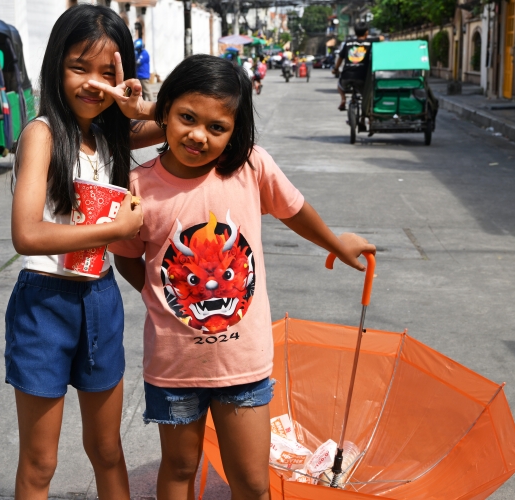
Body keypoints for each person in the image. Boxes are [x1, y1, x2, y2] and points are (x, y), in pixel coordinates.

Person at [109, 55, 375, 500]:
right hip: (174, 367)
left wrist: (335, 243)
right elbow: (127, 258)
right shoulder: (138, 186)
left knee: (251, 482)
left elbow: (294, 210)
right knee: (178, 470)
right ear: (165, 111)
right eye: (187, 119)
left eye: (218, 127)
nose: (199, 135)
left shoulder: (251, 167)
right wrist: (167, 299)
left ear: (236, 131)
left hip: (244, 367)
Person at [6, 5, 164, 499]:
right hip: (43, 306)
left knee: (108, 450)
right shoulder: (42, 135)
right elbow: (27, 234)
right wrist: (111, 230)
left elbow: (182, 124)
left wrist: (137, 108)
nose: (93, 84)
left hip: (100, 301)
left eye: (107, 73)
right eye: (80, 67)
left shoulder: (110, 138)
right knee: (40, 461)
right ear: (56, 64)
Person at [333, 22, 374, 115]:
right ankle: (364, 119)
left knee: (339, 85)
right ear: (367, 32)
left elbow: (340, 57)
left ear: (355, 32)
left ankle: (343, 99)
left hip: (346, 76)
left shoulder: (348, 43)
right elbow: (381, 39)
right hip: (362, 77)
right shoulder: (371, 42)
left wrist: (335, 69)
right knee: (366, 97)